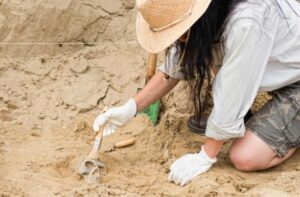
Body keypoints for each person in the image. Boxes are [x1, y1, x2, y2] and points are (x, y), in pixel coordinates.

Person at [93, 0, 300, 186]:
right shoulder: (205, 15)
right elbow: (175, 66)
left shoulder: (247, 21)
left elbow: (233, 88)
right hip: (282, 74)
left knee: (245, 156)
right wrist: (130, 108)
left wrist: (206, 156)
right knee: (211, 54)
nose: (176, 40)